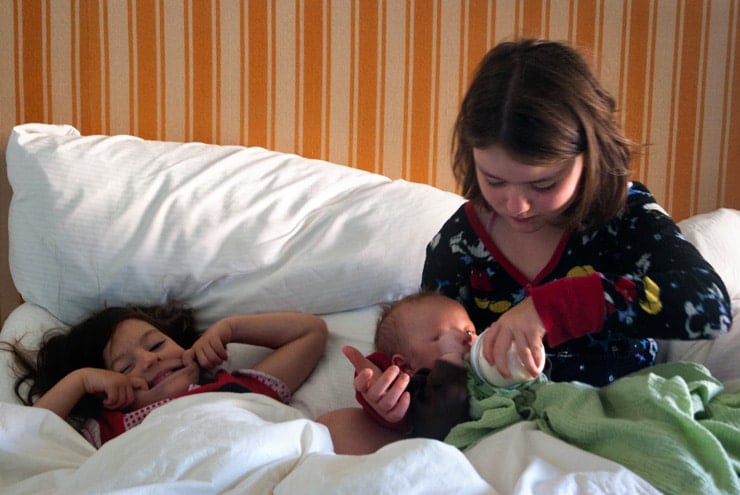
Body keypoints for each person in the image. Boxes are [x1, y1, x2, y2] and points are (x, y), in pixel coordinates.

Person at [346, 38, 732, 435]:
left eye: (543, 183)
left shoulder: (625, 219)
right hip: (508, 434)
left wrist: (553, 308)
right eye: (494, 180)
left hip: (620, 422)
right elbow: (437, 384)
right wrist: (391, 402)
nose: (517, 206)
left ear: (589, 155)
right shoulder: (459, 245)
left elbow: (709, 306)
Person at [3, 302, 328, 447]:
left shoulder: (238, 388)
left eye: (157, 343)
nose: (148, 359)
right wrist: (81, 380)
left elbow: (310, 332)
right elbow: (23, 439)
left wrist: (231, 327)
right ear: (109, 392)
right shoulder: (107, 428)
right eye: (125, 366)